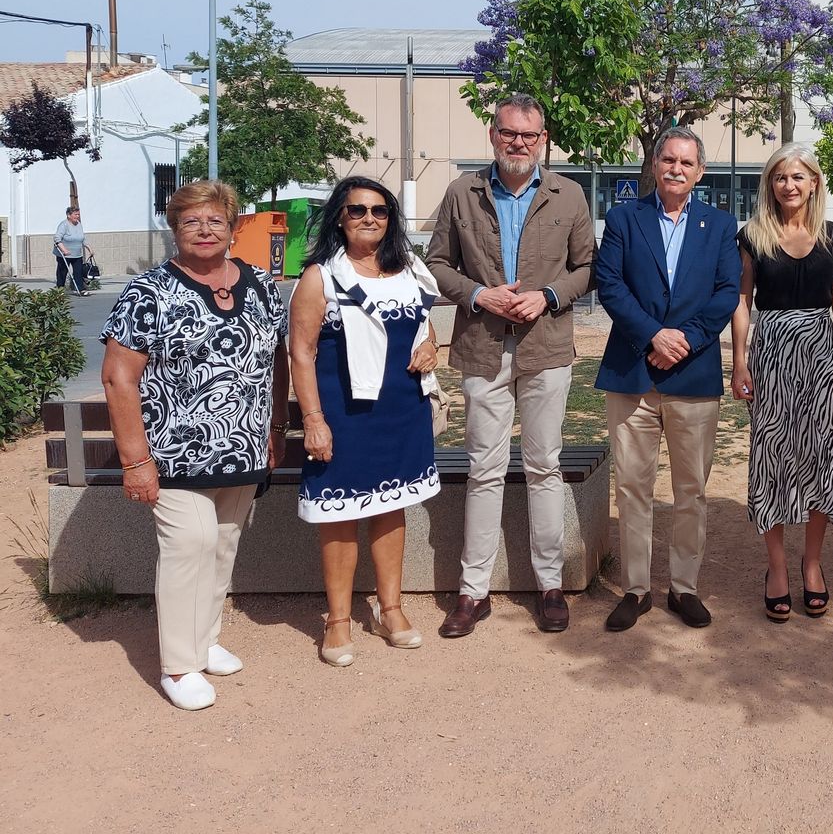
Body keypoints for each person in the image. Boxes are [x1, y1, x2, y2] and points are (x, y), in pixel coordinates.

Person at [100, 181, 288, 711]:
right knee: (190, 545)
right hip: (172, 453)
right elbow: (118, 377)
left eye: (215, 221)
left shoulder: (262, 286)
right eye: (191, 222)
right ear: (174, 229)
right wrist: (136, 462)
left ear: (232, 229)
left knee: (223, 544)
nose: (205, 230)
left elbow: (276, 361)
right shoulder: (148, 292)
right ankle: (179, 665)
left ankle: (205, 639)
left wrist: (276, 429)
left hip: (244, 447)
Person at [425, 94, 595, 637]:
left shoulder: (569, 194)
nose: (518, 143)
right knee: (484, 469)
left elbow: (586, 266)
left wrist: (548, 295)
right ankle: (472, 592)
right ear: (493, 135)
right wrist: (479, 295)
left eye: (528, 134)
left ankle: (550, 585)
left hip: (547, 348)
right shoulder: (462, 192)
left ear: (543, 139)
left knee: (544, 465)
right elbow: (435, 264)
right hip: (482, 347)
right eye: (508, 133)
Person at [291, 177, 442, 665]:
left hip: (402, 411)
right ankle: (337, 620)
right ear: (340, 216)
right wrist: (313, 419)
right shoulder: (320, 277)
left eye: (379, 210)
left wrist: (431, 346)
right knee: (339, 514)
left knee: (391, 507)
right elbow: (301, 353)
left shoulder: (410, 269)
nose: (369, 219)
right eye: (357, 210)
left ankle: (389, 609)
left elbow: (424, 326)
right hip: (344, 416)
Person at [595, 128, 740, 631]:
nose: (676, 169)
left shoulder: (720, 225)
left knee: (690, 489)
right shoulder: (623, 218)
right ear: (655, 164)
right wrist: (653, 335)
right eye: (668, 160)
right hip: (633, 371)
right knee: (632, 488)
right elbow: (610, 284)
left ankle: (684, 587)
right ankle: (636, 590)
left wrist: (686, 339)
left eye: (686, 162)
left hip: (693, 374)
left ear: (700, 172)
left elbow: (727, 292)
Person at [730, 144, 833, 621]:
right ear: (771, 184)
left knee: (823, 454)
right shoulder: (753, 236)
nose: (789, 185)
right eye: (780, 177)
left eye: (798, 176)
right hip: (772, 352)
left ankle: (813, 563)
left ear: (814, 182)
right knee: (773, 455)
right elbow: (743, 301)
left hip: (822, 352)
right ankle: (777, 568)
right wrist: (739, 362)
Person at [55, 205, 90, 295]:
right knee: (62, 272)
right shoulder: (64, 225)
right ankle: (59, 290)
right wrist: (64, 250)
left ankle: (80, 289)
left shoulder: (79, 224)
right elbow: (57, 238)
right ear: (69, 215)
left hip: (77, 254)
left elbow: (82, 238)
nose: (77, 216)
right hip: (64, 254)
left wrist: (90, 249)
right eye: (75, 214)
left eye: (78, 214)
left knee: (78, 272)